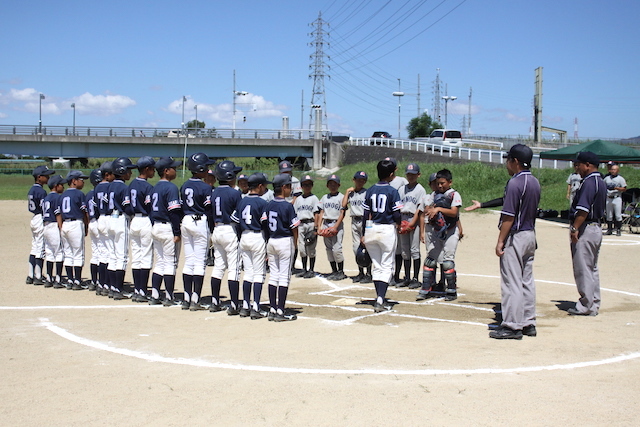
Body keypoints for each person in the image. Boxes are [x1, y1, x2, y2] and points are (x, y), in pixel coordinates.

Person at [489, 144, 540, 340]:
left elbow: (509, 216)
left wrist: (500, 241)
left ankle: (512, 326)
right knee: (526, 280)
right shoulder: (535, 181)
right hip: (530, 234)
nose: (507, 163)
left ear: (515, 161)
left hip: (516, 235)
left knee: (512, 282)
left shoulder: (515, 183)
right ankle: (528, 322)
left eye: (508, 160)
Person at [568, 151, 606, 316]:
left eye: (579, 165)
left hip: (586, 227)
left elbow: (583, 210)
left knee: (583, 267)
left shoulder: (589, 182)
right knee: (592, 268)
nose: (578, 168)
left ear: (588, 165)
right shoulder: (601, 181)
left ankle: (586, 305)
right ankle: (593, 302)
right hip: (595, 227)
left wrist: (575, 228)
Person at [362, 159, 403, 312]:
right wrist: (399, 224)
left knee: (377, 265)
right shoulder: (393, 191)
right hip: (387, 229)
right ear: (391, 174)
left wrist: (363, 233)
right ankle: (380, 299)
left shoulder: (370, 190)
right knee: (386, 265)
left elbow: (366, 214)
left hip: (371, 229)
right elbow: (396, 213)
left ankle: (379, 296)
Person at [417, 169, 462, 301]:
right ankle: (426, 287)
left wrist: (438, 209)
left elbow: (454, 213)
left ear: (449, 182)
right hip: (436, 230)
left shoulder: (454, 194)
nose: (440, 186)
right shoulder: (432, 195)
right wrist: (429, 210)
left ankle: (451, 290)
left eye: (442, 183)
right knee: (430, 259)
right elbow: (426, 209)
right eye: (438, 183)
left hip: (450, 230)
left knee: (448, 261)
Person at [231, 172, 271, 319]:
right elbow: (266, 224)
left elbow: (234, 220)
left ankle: (246, 306)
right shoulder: (262, 202)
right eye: (264, 186)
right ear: (259, 186)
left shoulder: (242, 201)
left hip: (244, 236)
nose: (265, 188)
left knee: (247, 272)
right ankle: (256, 307)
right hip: (257, 236)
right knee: (259, 273)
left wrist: (241, 235)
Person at [262, 173, 300, 321]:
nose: (290, 189)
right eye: (289, 186)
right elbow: (294, 228)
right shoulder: (287, 205)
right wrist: (295, 243)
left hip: (271, 241)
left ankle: (272, 308)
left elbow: (264, 224)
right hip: (284, 241)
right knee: (284, 276)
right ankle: (280, 311)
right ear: (283, 187)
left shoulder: (269, 204)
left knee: (274, 276)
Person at [180, 153, 215, 311]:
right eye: (206, 167)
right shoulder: (206, 187)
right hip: (199, 221)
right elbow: (209, 209)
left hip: (186, 220)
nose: (208, 169)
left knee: (189, 260)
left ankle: (186, 298)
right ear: (200, 169)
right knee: (199, 261)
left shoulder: (184, 185)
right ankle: (195, 299)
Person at [210, 160, 243, 314]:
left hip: (217, 230)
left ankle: (215, 301)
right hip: (230, 230)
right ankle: (234, 304)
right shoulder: (235, 193)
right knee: (233, 269)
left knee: (218, 267)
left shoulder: (214, 191)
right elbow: (240, 214)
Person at [149, 157, 183, 306]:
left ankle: (155, 294)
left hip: (156, 226)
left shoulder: (154, 187)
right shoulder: (171, 187)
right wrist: (177, 231)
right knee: (170, 263)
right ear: (166, 171)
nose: (176, 170)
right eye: (173, 168)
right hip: (167, 227)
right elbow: (174, 212)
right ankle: (169, 296)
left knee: (160, 262)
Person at [107, 157, 137, 299]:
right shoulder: (124, 187)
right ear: (122, 170)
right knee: (122, 256)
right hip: (120, 219)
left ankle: (113, 287)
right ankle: (118, 289)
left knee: (113, 255)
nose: (130, 173)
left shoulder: (109, 186)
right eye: (128, 170)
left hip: (109, 219)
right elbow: (127, 206)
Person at [129, 156, 156, 302]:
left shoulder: (132, 184)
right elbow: (150, 207)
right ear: (146, 169)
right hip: (145, 219)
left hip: (134, 220)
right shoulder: (147, 187)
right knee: (145, 257)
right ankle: (143, 291)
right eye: (152, 169)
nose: (154, 171)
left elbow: (127, 205)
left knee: (136, 256)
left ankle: (137, 289)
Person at [57, 170, 90, 290]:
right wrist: (87, 225)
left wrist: (61, 227)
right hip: (76, 223)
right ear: (74, 181)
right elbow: (84, 212)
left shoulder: (63, 195)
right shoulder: (79, 194)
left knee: (68, 253)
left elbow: (59, 213)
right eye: (81, 180)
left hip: (65, 224)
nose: (83, 182)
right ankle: (77, 281)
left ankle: (70, 280)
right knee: (78, 253)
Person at [397, 163, 426, 288]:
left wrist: (412, 223)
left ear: (418, 175)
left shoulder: (421, 190)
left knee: (414, 250)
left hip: (414, 219)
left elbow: (420, 210)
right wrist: (399, 223)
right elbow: (398, 207)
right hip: (403, 218)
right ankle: (407, 277)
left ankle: (415, 278)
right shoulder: (401, 189)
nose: (411, 176)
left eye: (413, 174)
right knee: (405, 251)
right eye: (409, 174)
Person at [341, 171, 371, 283]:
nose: (360, 182)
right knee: (356, 248)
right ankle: (360, 272)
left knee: (366, 246)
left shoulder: (367, 193)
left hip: (364, 221)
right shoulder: (351, 193)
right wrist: (347, 192)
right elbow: (343, 205)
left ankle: (368, 273)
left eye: (363, 180)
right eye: (358, 180)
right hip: (354, 221)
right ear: (354, 180)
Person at [27, 165, 55, 285]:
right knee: (40, 248)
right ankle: (38, 276)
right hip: (40, 218)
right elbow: (44, 208)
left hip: (34, 218)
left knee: (35, 247)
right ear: (39, 177)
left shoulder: (31, 190)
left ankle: (30, 274)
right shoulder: (41, 191)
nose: (48, 177)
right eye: (46, 175)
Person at [317, 174, 346, 280]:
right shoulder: (324, 197)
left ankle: (341, 271)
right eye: (330, 184)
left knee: (337, 249)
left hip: (336, 224)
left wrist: (336, 227)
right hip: (326, 223)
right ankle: (334, 271)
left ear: (339, 185)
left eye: (335, 184)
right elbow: (321, 212)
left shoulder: (341, 197)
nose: (332, 186)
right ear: (327, 185)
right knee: (329, 249)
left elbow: (342, 213)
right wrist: (319, 227)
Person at [93, 161, 114, 296]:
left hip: (99, 218)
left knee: (102, 253)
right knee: (111, 253)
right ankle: (108, 284)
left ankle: (101, 283)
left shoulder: (97, 188)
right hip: (108, 218)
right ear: (107, 175)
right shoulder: (109, 186)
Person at [293, 174, 320, 279]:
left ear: (312, 185)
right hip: (301, 225)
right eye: (305, 184)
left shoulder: (314, 198)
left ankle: (311, 270)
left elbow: (317, 213)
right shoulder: (298, 199)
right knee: (302, 248)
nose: (307, 186)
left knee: (311, 248)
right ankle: (304, 269)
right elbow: (295, 213)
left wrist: (316, 228)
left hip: (310, 223)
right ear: (301, 186)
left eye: (309, 184)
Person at [42, 174, 66, 288]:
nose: (63, 187)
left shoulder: (46, 198)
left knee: (50, 253)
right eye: (62, 185)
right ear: (56, 186)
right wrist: (61, 228)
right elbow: (58, 214)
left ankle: (48, 278)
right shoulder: (57, 198)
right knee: (59, 253)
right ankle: (58, 279)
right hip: (53, 225)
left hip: (45, 226)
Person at [85, 169, 102, 291]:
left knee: (95, 253)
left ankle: (94, 281)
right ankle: (103, 282)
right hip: (99, 222)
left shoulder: (89, 194)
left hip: (91, 222)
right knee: (103, 253)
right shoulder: (100, 192)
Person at [603, 163, 627, 236]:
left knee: (618, 215)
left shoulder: (620, 178)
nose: (613, 171)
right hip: (609, 198)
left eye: (614, 170)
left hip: (617, 198)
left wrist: (616, 188)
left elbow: (624, 188)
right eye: (612, 169)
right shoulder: (607, 178)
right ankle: (609, 229)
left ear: (618, 170)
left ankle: (618, 229)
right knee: (609, 215)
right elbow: (603, 186)